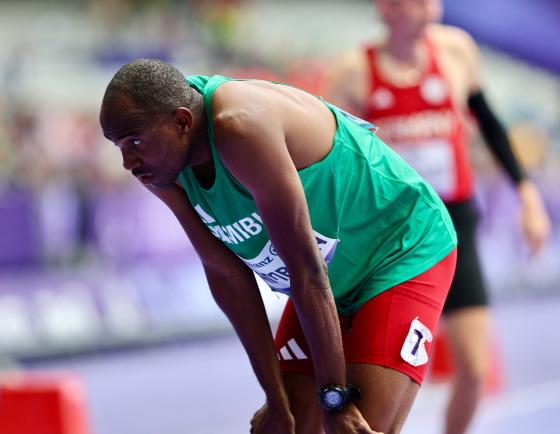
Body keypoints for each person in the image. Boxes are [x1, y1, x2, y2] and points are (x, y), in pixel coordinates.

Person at [100, 58, 458, 434]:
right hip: (328, 276)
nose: (128, 161)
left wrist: (334, 398)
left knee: (357, 427)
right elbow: (226, 274)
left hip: (398, 247)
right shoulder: (160, 162)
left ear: (182, 122)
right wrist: (275, 398)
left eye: (134, 142)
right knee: (289, 425)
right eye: (118, 146)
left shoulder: (239, 128)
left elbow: (305, 269)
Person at [324, 1, 552, 433]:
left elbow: (490, 123)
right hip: (391, 233)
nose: (433, 5)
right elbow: (334, 159)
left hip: (453, 223)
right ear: (388, 8)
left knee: (475, 371)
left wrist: (527, 196)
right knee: (379, 381)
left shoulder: (456, 51)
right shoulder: (353, 72)